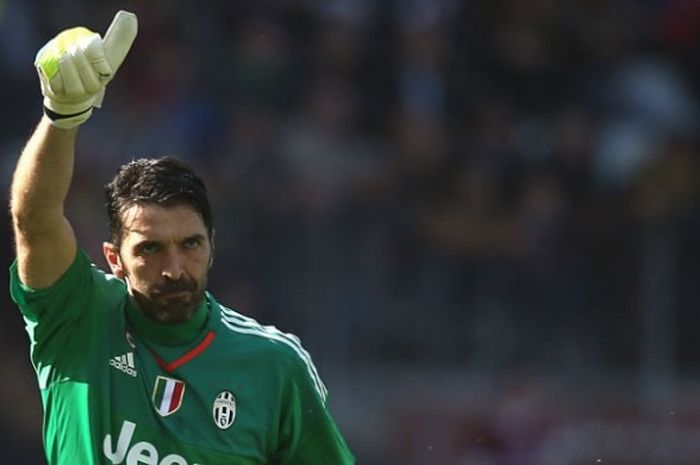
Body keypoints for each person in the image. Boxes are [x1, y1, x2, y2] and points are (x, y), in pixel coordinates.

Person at [9, 11, 355, 465]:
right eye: (150, 248)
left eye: (190, 244)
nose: (174, 269)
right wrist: (62, 119)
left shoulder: (275, 365)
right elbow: (35, 220)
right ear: (113, 257)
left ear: (212, 245)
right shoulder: (77, 320)